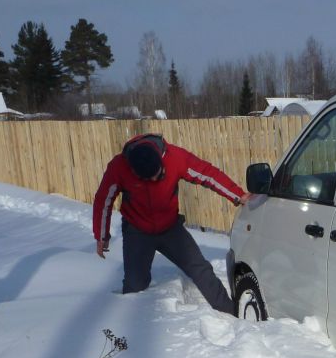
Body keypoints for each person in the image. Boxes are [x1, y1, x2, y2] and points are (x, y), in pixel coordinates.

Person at [92, 133, 249, 313]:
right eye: (147, 179)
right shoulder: (119, 167)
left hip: (170, 229)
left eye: (157, 175)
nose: (153, 181)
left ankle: (230, 312)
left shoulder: (175, 157)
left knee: (200, 268)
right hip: (137, 231)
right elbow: (103, 200)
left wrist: (238, 195)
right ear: (134, 171)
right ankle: (132, 328)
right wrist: (101, 235)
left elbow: (207, 174)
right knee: (134, 285)